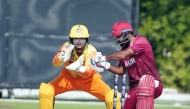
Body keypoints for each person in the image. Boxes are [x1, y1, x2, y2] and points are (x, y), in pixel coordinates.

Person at [39, 24, 121, 109]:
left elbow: (87, 74)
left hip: (89, 80)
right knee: (46, 91)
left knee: (112, 97)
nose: (79, 41)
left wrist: (79, 68)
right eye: (76, 38)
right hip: (68, 78)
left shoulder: (91, 50)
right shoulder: (67, 46)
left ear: (86, 39)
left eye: (82, 39)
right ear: (71, 39)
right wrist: (61, 58)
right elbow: (55, 63)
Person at [90, 21, 163, 109]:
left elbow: (122, 55)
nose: (117, 40)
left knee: (144, 85)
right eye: (116, 37)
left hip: (152, 83)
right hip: (135, 88)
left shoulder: (141, 41)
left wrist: (104, 58)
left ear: (128, 33)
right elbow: (121, 71)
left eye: (118, 36)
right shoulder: (124, 49)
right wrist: (106, 65)